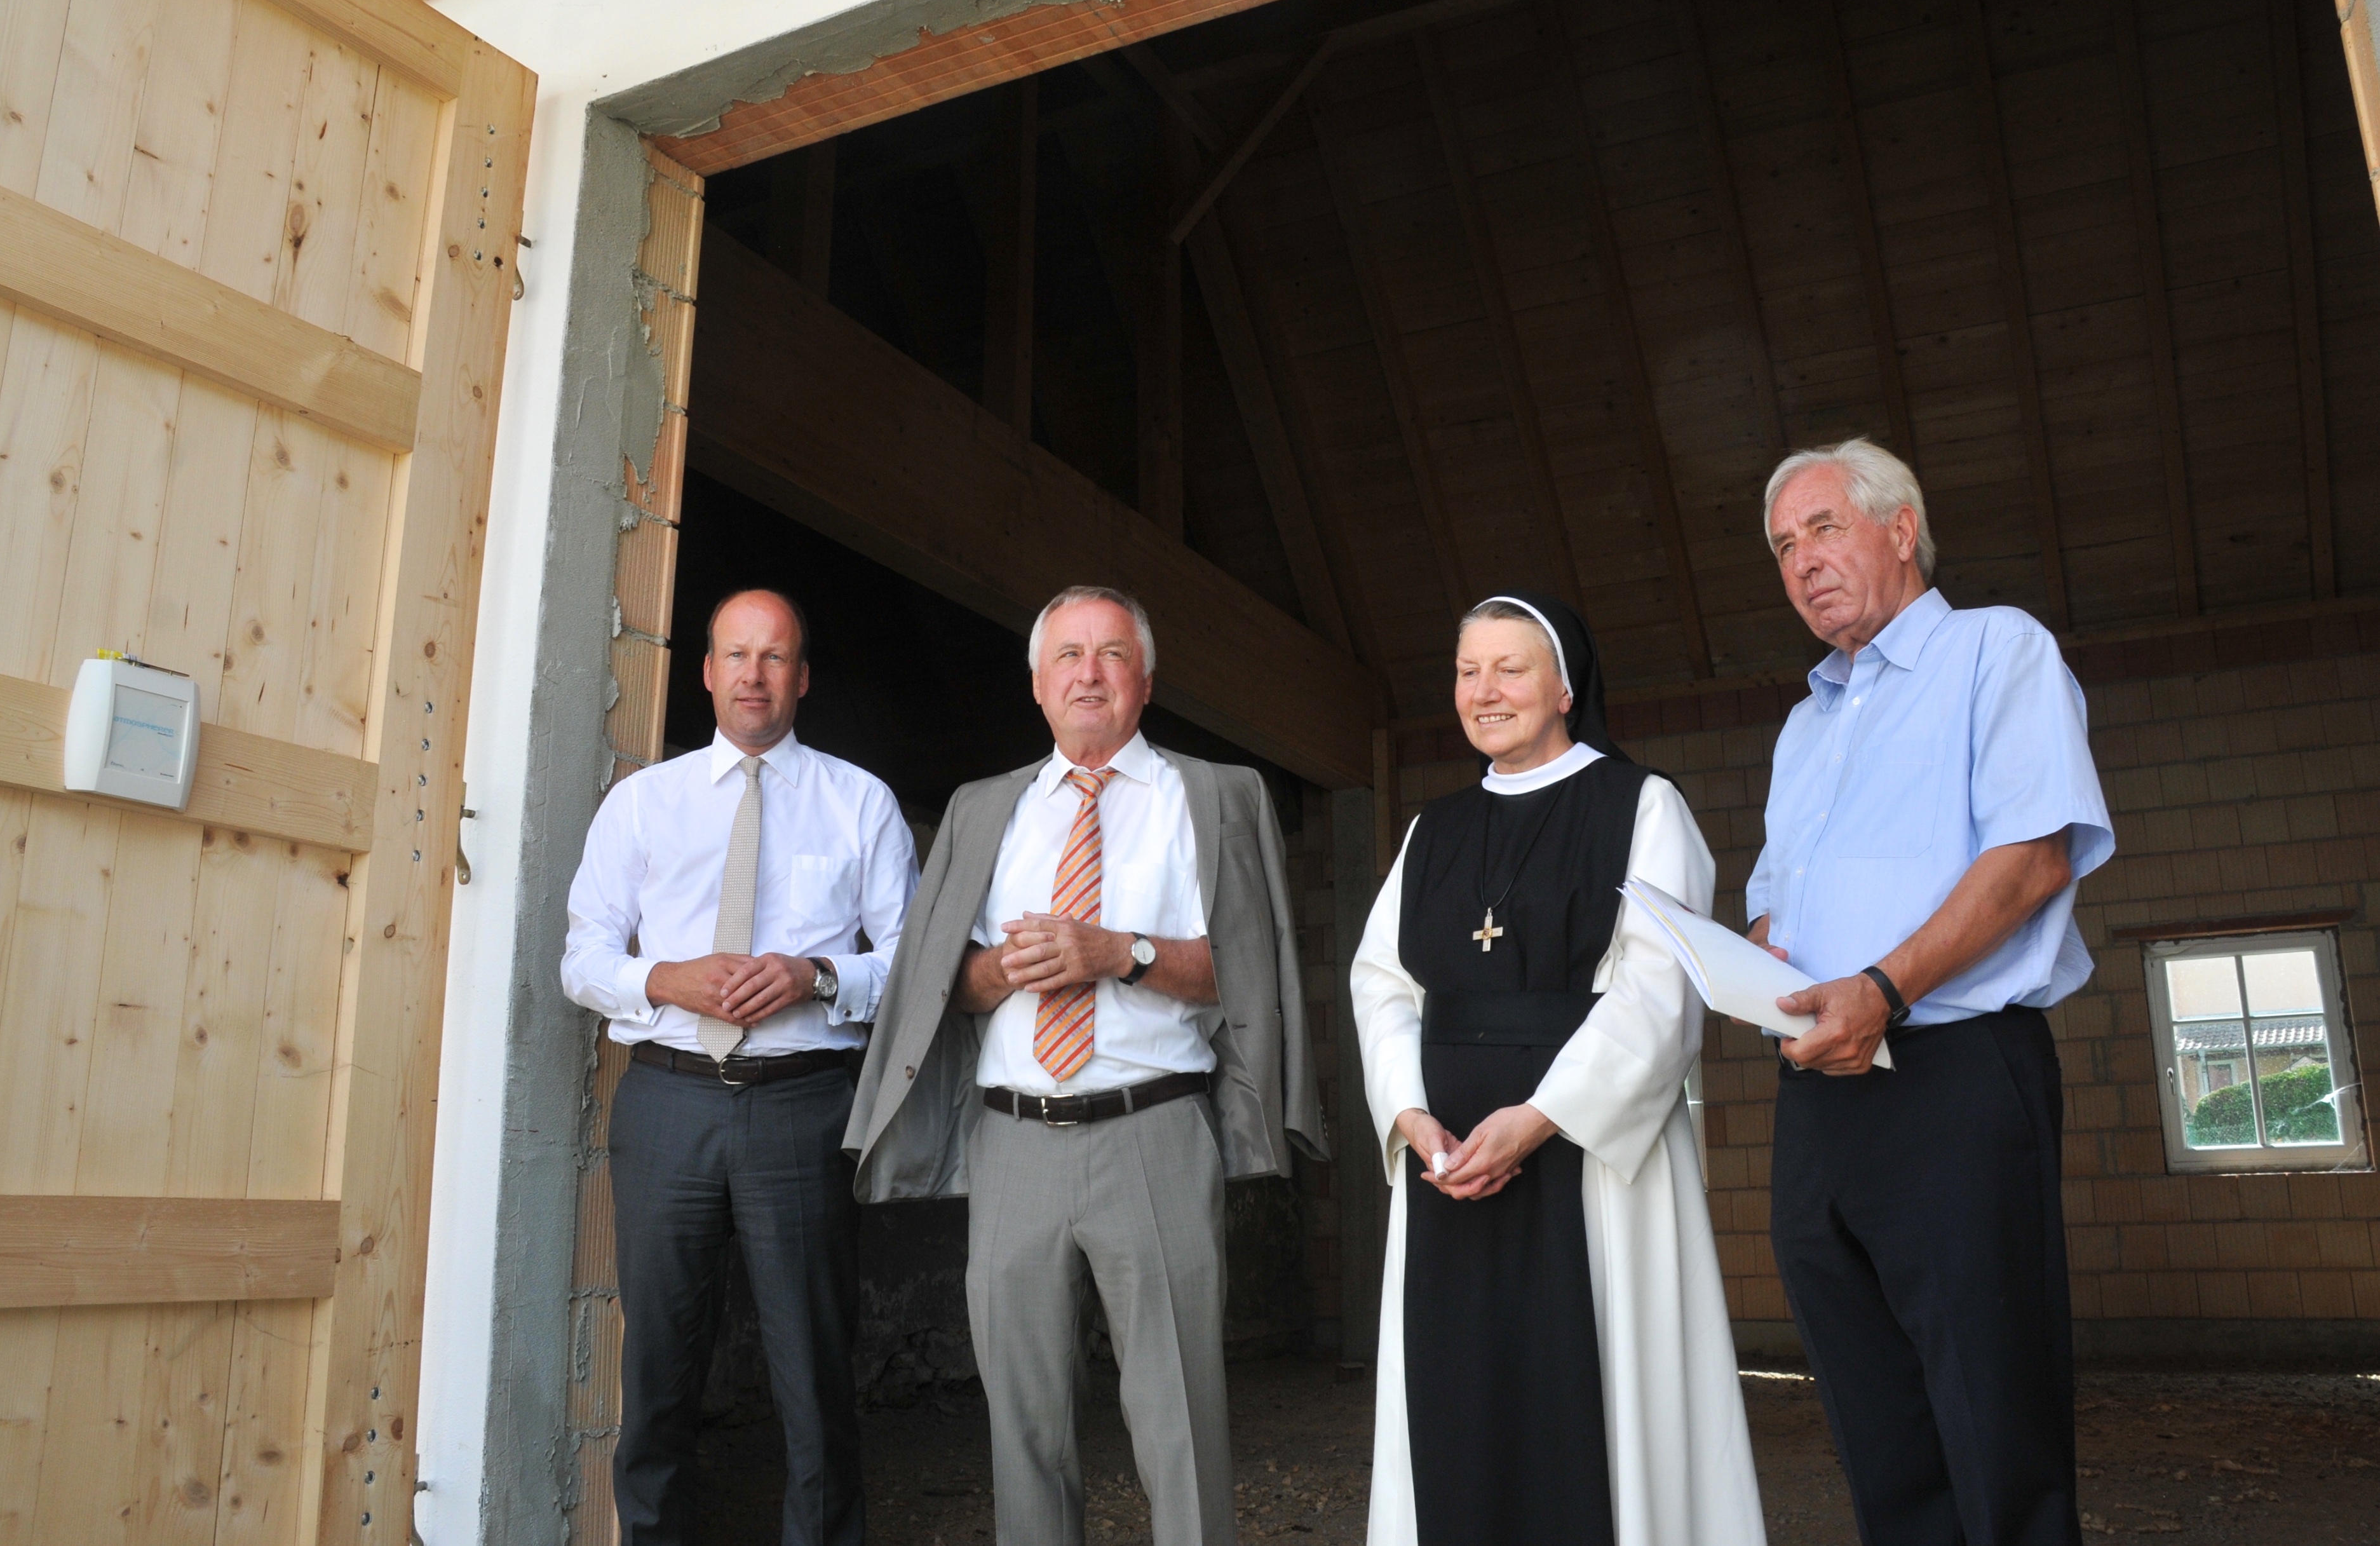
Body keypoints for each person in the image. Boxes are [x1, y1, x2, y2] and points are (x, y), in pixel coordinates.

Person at [843, 584, 1324, 1546]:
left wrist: (1123, 954)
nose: (1088, 673)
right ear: (1037, 683)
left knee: (1180, 1421)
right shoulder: (986, 810)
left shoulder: (1217, 797)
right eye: (1068, 656)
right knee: (1023, 1429)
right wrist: (993, 970)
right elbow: (942, 983)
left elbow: (1256, 971)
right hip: (1013, 1143)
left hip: (1154, 1133)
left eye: (1111, 655)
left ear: (1145, 680)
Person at [1750, 440, 2114, 1546]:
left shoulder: (1995, 651)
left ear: (1899, 529)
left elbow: (2031, 858)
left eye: (1823, 529)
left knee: (1992, 1421)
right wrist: (1750, 970)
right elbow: (1775, 914)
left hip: (1954, 1077)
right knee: (1877, 1430)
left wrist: (1882, 990)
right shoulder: (1802, 726)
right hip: (1820, 1098)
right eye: (1781, 548)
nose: (1802, 562)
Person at [1351, 592, 1766, 1546]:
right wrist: (1410, 1114)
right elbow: (1381, 982)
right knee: (1453, 1400)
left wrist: (1539, 1120)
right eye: (1466, 671)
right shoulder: (1432, 831)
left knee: (1594, 1408)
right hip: (1447, 1164)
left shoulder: (1641, 805)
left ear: (1566, 686)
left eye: (1510, 667)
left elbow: (1661, 990)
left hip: (1587, 1161)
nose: (1484, 691)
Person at [562, 588, 917, 1546]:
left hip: (803, 1109)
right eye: (736, 655)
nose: (754, 674)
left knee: (814, 1370)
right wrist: (667, 977)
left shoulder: (860, 803)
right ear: (708, 671)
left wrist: (816, 975)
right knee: (661, 1372)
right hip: (669, 1106)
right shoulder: (643, 804)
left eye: (775, 658)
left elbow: (912, 966)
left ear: (801, 678)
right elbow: (582, 960)